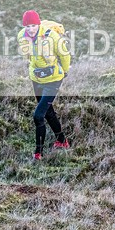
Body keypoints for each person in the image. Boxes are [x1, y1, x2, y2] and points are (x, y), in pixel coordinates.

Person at [17, 10, 71, 160]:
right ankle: (62, 141)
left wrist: (65, 71)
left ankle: (38, 153)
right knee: (48, 112)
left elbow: (64, 55)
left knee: (38, 115)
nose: (30, 29)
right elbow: (27, 56)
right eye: (27, 26)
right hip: (37, 79)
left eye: (33, 25)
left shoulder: (51, 36)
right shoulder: (22, 36)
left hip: (53, 79)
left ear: (38, 24)